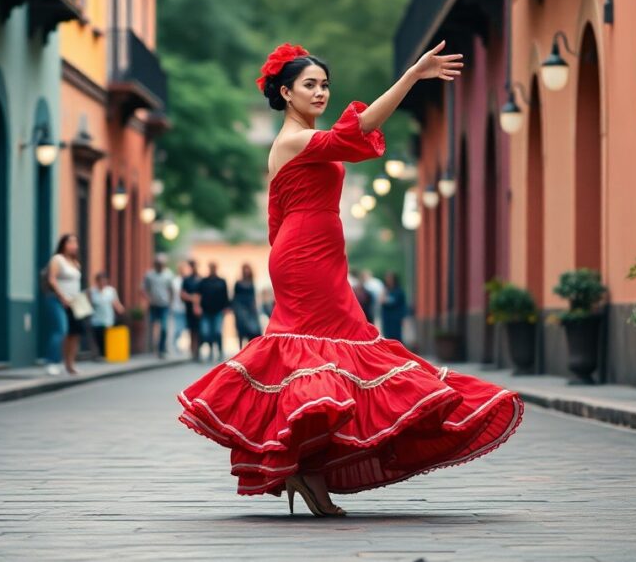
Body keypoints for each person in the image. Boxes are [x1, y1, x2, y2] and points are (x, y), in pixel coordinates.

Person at [177, 42, 522, 517]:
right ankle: (304, 466)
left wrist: (291, 255)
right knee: (326, 350)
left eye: (324, 85)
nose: (321, 93)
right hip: (305, 257)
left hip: (312, 252)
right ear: (285, 92)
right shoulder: (293, 140)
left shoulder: (299, 141)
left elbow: (276, 214)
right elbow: (361, 129)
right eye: (309, 85)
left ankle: (307, 468)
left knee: (334, 352)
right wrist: (412, 76)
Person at [44, 234, 85, 376]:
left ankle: (70, 365)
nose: (74, 245)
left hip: (76, 301)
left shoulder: (75, 262)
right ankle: (52, 362)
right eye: (70, 242)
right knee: (61, 330)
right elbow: (52, 279)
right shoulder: (57, 259)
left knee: (75, 334)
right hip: (58, 300)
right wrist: (62, 297)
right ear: (63, 244)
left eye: (75, 242)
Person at [142, 253, 175, 358]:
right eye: (158, 263)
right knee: (151, 327)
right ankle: (150, 348)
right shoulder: (149, 275)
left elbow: (171, 290)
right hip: (153, 305)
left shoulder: (168, 274)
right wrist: (148, 299)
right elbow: (143, 289)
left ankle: (161, 349)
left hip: (164, 305)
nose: (160, 265)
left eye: (162, 264)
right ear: (155, 264)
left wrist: (170, 302)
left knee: (164, 328)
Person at [197, 261, 229, 362]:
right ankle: (210, 351)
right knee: (206, 332)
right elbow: (198, 295)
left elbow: (226, 296)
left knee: (217, 332)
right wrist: (198, 307)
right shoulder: (204, 281)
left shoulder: (222, 281)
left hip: (218, 311)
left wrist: (227, 307)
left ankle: (220, 351)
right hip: (206, 311)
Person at [88, 271, 125, 358]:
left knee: (106, 338)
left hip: (108, 319)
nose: (102, 283)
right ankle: (100, 354)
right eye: (100, 280)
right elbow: (89, 305)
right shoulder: (92, 291)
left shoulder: (111, 291)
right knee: (98, 337)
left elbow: (115, 303)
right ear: (97, 281)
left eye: (104, 280)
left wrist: (121, 310)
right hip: (96, 319)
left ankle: (105, 354)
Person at [232, 263, 261, 348]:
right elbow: (235, 296)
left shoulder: (251, 282)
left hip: (250, 308)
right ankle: (240, 348)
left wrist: (255, 307)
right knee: (241, 329)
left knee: (252, 330)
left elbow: (253, 296)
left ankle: (250, 348)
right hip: (240, 308)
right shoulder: (238, 283)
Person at [180, 258, 203, 361]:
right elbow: (182, 294)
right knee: (191, 330)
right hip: (189, 309)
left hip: (200, 308)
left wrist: (197, 301)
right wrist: (192, 298)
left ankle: (197, 350)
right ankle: (193, 351)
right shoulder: (186, 280)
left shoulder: (201, 279)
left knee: (199, 330)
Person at [380, 271, 407, 343]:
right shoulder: (385, 290)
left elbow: (392, 302)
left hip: (396, 318)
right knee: (387, 336)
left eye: (390, 278)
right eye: (387, 278)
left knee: (396, 337)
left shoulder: (398, 291)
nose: (388, 280)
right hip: (387, 317)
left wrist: (403, 317)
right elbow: (381, 301)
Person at [170, 261, 189, 354]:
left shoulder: (187, 280)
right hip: (177, 307)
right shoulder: (176, 281)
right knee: (179, 328)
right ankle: (174, 344)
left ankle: (177, 344)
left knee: (184, 328)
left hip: (186, 308)